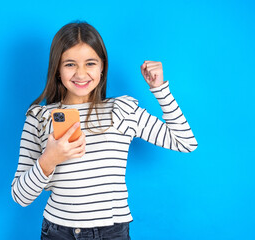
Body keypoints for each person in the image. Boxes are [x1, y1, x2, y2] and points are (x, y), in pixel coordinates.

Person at [11, 21, 198, 240]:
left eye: (90, 63)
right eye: (70, 64)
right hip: (57, 232)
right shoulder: (39, 118)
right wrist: (49, 159)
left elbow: (185, 142)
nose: (81, 74)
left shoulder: (122, 111)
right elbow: (20, 197)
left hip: (112, 232)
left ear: (102, 67)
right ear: (58, 70)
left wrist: (160, 90)